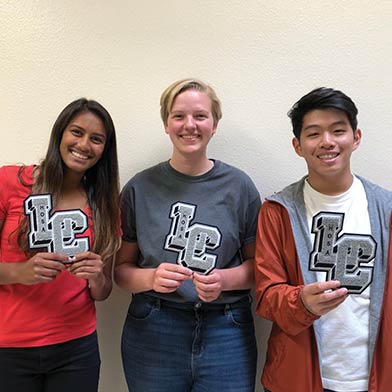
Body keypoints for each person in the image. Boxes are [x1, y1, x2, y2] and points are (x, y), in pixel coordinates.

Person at [115, 78, 261, 392]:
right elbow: (120, 271)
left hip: (227, 328)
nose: (189, 125)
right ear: (166, 124)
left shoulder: (241, 187)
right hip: (154, 327)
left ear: (215, 124)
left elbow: (259, 268)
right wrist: (151, 278)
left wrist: (223, 280)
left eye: (200, 116)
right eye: (179, 116)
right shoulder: (138, 188)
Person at [254, 87, 392, 392]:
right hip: (297, 376)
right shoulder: (277, 211)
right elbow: (265, 297)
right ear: (297, 145)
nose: (327, 142)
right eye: (314, 133)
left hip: (375, 377)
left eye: (338, 131)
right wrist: (301, 302)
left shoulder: (387, 209)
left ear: (356, 137)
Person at [0, 98, 121, 392]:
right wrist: (20, 273)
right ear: (60, 134)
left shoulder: (104, 203)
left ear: (104, 150)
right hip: (9, 345)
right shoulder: (9, 182)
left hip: (76, 347)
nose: (84, 144)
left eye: (96, 139)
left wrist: (96, 276)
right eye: (76, 132)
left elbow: (103, 292)